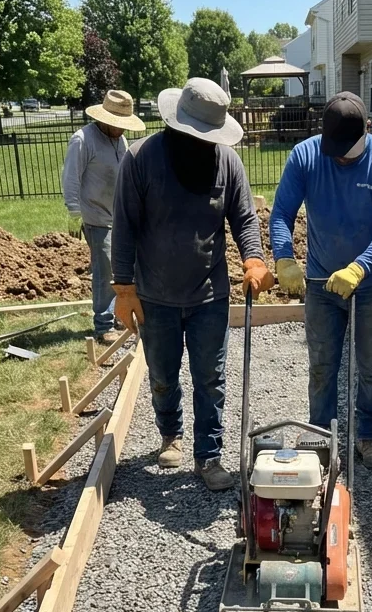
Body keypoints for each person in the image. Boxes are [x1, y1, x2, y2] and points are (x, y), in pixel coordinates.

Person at [111, 78, 273, 491]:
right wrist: (124, 289)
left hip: (209, 295)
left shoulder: (227, 163)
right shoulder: (141, 159)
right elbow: (124, 225)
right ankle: (171, 434)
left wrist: (254, 260)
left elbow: (243, 218)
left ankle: (209, 455)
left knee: (210, 379)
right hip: (155, 294)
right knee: (162, 375)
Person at [268, 92, 372, 469]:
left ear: (368, 129)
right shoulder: (306, 156)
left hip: (371, 285)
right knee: (322, 365)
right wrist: (284, 256)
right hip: (321, 283)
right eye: (337, 150)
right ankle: (321, 437)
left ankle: (368, 436)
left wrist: (359, 268)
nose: (343, 157)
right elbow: (281, 213)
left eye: (350, 149)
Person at [62, 90, 145, 344]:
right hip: (96, 216)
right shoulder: (83, 139)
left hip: (119, 215)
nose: (121, 129)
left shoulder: (120, 140)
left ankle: (120, 314)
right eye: (117, 124)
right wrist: (74, 211)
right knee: (105, 269)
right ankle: (103, 324)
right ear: (104, 119)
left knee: (124, 266)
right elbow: (71, 177)